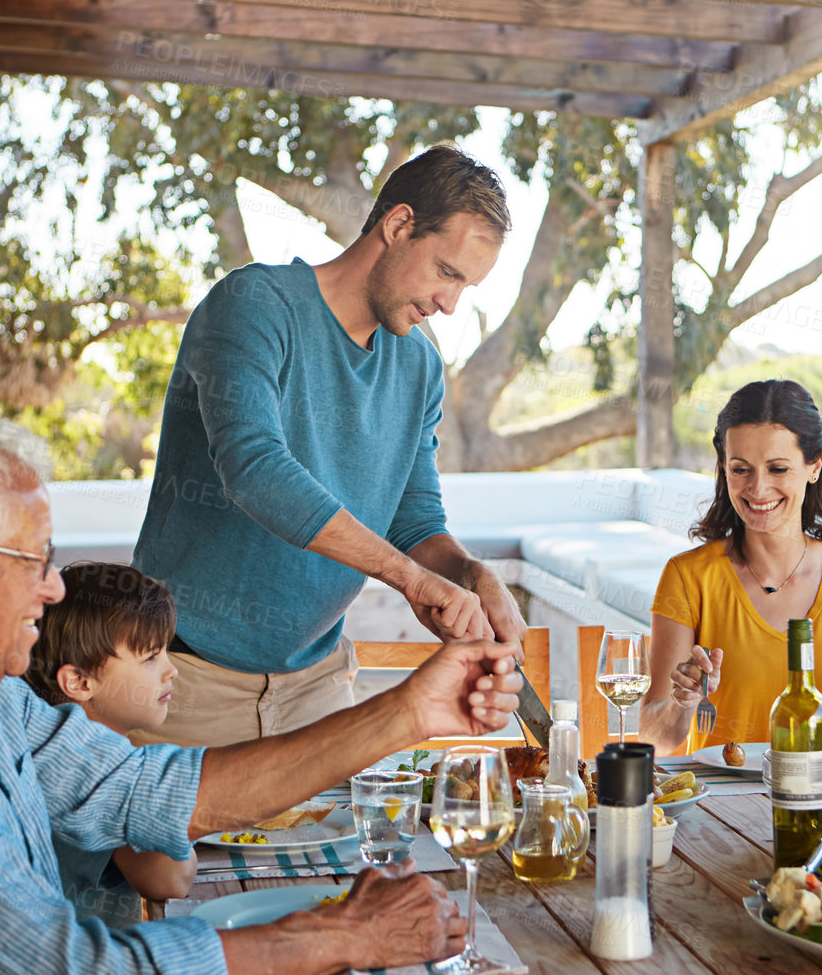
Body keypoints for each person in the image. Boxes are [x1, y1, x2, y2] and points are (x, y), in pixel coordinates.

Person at [0, 406, 524, 975]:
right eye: (37, 561)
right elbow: (73, 966)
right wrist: (345, 935)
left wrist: (412, 711)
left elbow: (140, 789)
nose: (53, 589)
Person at [134, 143, 528, 748]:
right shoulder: (254, 305)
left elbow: (413, 517)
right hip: (179, 680)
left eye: (466, 286)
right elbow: (255, 469)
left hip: (318, 688)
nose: (450, 304)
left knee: (350, 847)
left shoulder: (420, 363)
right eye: (447, 272)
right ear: (397, 225)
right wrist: (411, 581)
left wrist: (469, 575)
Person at [641, 380, 822, 754]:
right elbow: (655, 735)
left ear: (814, 466)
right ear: (724, 469)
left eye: (778, 468)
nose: (758, 488)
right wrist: (681, 702)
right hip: (721, 806)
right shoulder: (688, 577)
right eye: (741, 469)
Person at [23, 561, 194, 928]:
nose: (171, 670)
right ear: (80, 682)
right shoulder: (83, 765)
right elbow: (171, 878)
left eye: (164, 651)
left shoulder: (50, 741)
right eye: (150, 657)